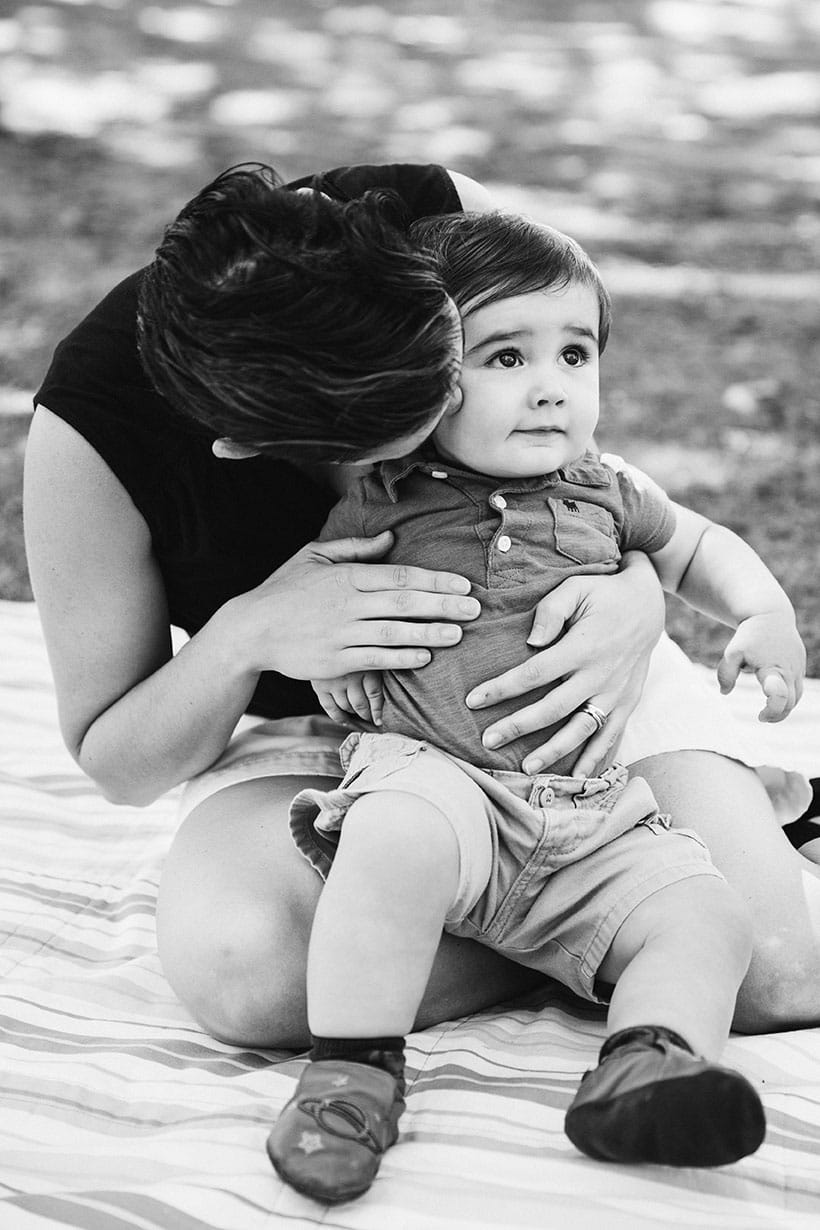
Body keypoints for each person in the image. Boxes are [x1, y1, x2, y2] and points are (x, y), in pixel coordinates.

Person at [23, 163, 818, 1069]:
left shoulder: (434, 221)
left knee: (772, 970)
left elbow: (579, 429)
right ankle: (615, 922)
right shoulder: (93, 436)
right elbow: (119, 763)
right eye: (399, 417)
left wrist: (636, 593)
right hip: (353, 739)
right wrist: (249, 633)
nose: (450, 398)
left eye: (447, 361)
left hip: (564, 696)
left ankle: (617, 887)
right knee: (248, 973)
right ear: (247, 446)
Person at [264, 211, 801, 1197]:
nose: (551, 383)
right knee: (394, 845)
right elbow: (322, 598)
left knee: (706, 914)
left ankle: (648, 1060)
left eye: (574, 352)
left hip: (590, 804)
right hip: (440, 775)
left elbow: (695, 547)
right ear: (427, 379)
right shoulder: (389, 493)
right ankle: (350, 1076)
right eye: (505, 356)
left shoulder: (607, 488)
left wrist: (761, 610)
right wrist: (334, 668)